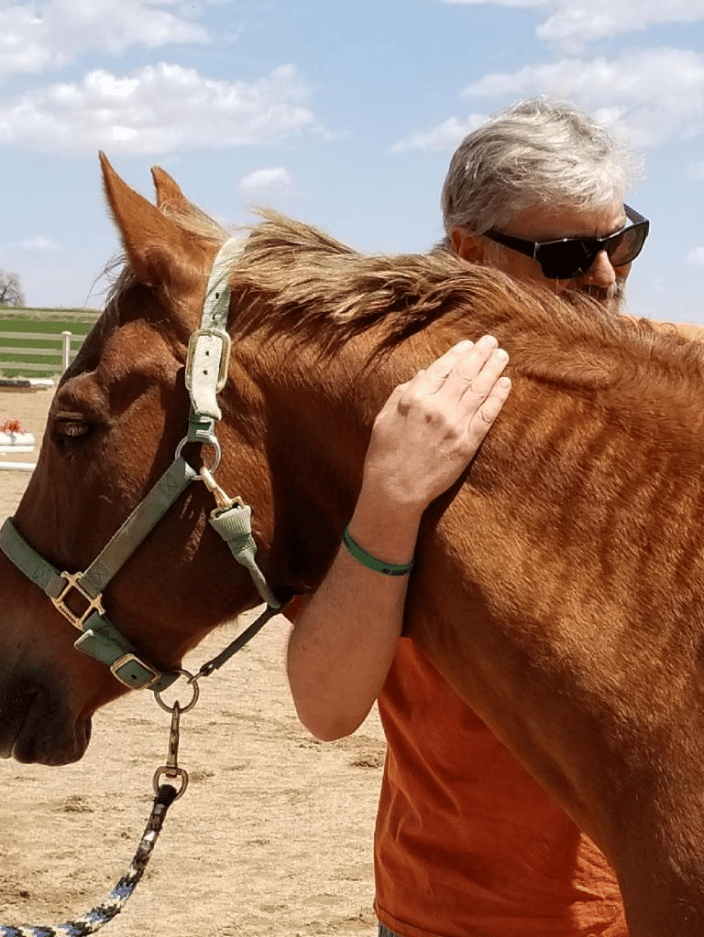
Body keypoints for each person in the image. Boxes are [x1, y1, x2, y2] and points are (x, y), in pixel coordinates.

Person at [286, 98, 660, 937]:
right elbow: (326, 704)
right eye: (568, 255)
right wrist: (390, 500)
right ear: (468, 252)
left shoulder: (673, 397)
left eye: (622, 241)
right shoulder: (382, 421)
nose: (605, 278)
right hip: (446, 914)